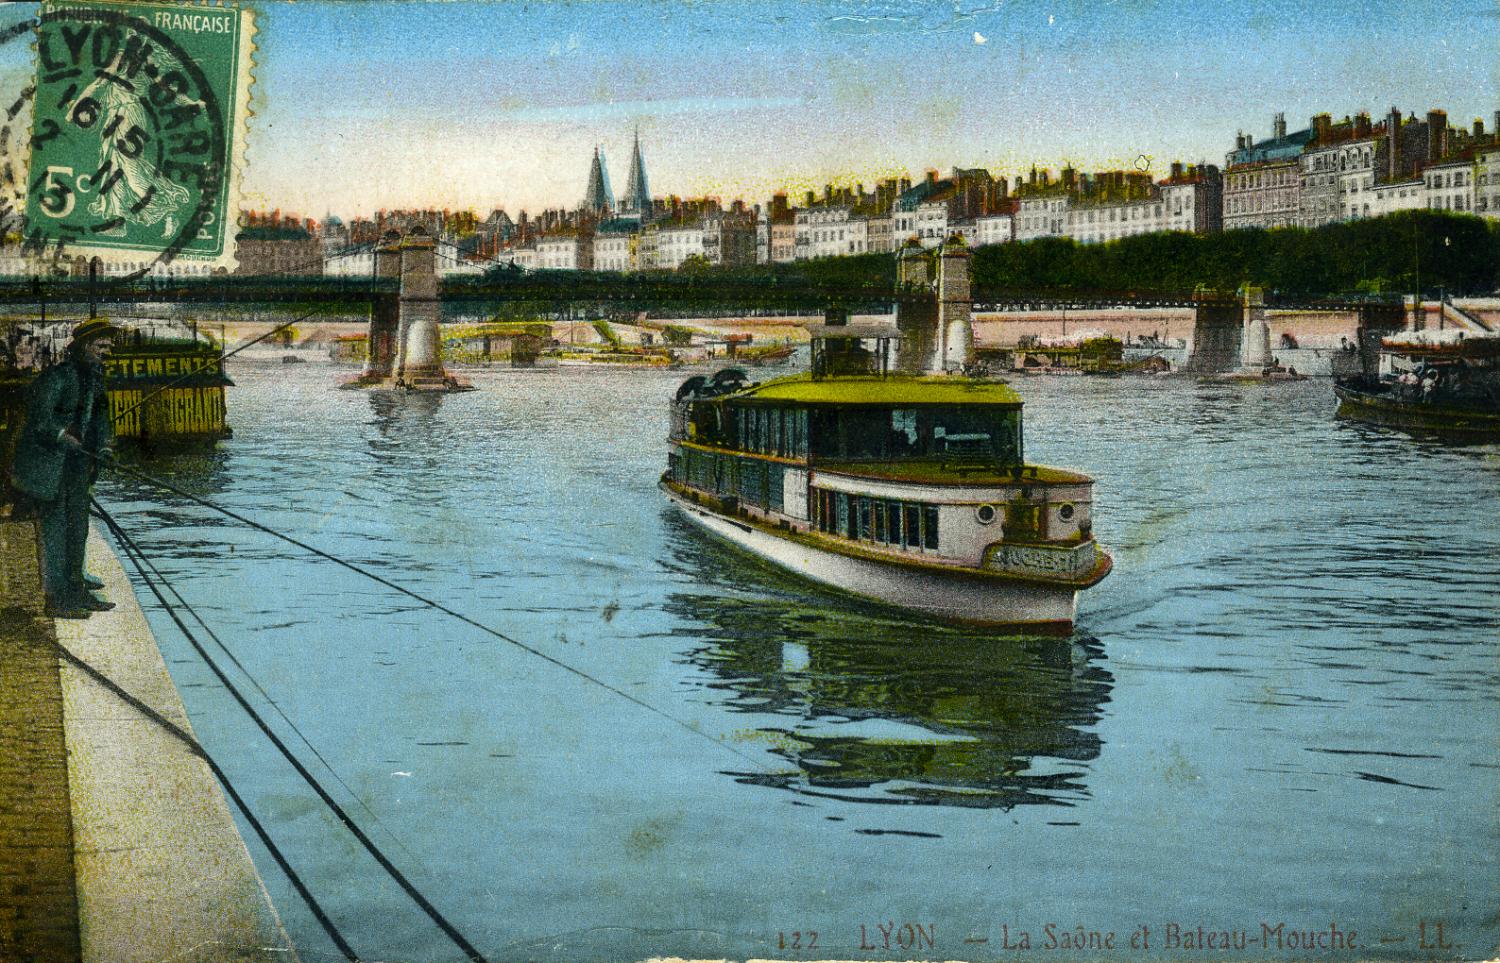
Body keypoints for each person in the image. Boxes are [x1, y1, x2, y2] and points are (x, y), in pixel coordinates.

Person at [10, 319, 118, 618]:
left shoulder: (96, 380)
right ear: (84, 346)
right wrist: (64, 437)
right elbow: (40, 422)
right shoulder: (57, 378)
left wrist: (105, 447)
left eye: (109, 347)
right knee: (56, 534)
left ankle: (77, 592)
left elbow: (101, 421)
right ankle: (57, 599)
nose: (106, 352)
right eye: (101, 346)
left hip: (77, 467)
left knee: (78, 530)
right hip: (50, 468)